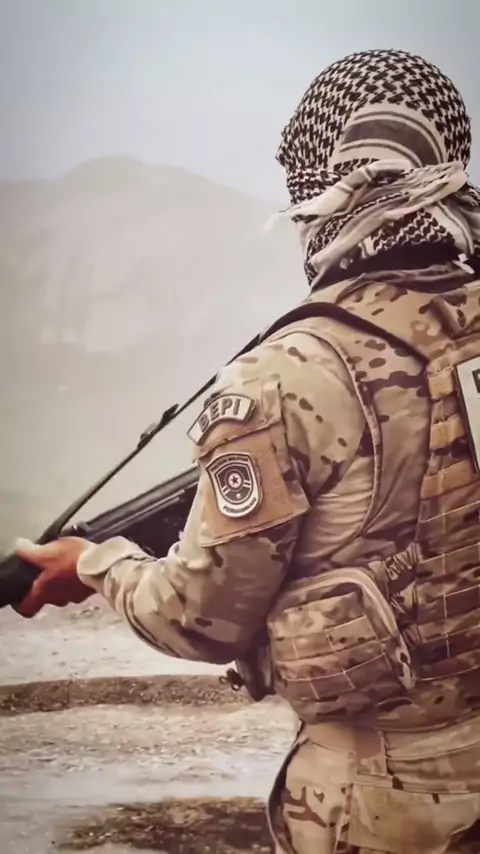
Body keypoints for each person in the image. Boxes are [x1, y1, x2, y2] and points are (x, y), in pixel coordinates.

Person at [13, 48, 480, 853]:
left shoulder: (287, 373)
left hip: (381, 807)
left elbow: (200, 620)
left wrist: (92, 566)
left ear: (323, 180)